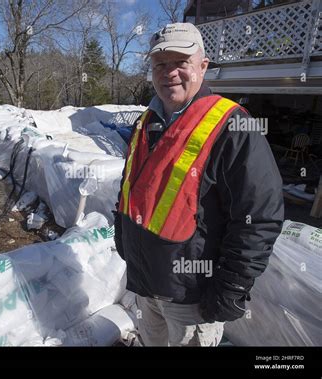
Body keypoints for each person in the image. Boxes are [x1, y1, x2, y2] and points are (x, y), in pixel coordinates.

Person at [113, 23, 284, 346]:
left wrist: (231, 286)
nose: (169, 73)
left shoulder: (234, 126)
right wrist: (122, 238)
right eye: (160, 64)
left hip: (192, 298)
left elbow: (259, 217)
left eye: (181, 62)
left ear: (203, 66)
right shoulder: (144, 122)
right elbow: (130, 189)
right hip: (146, 285)